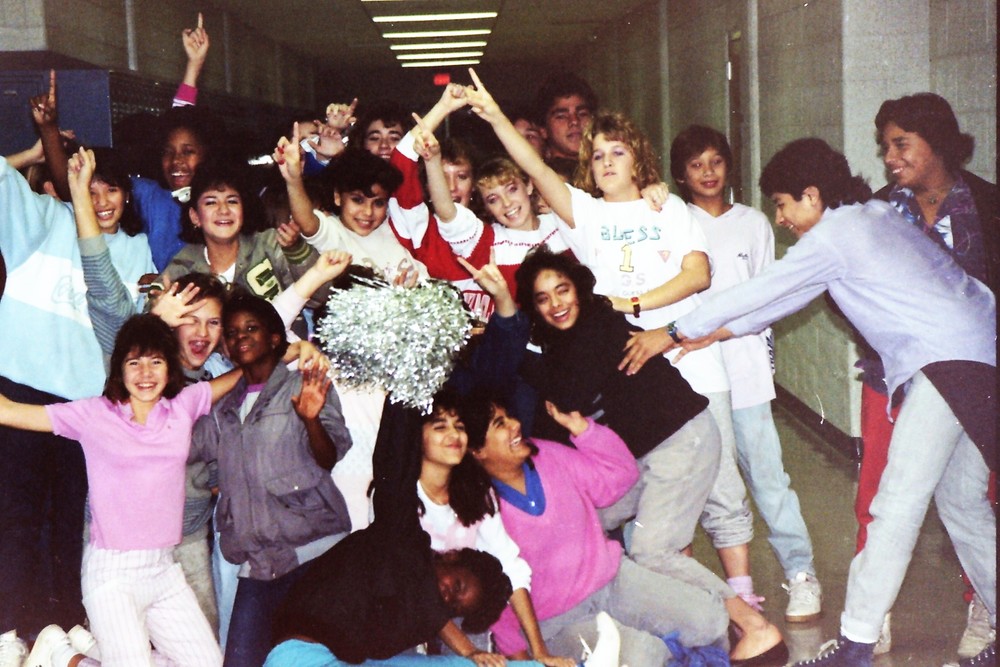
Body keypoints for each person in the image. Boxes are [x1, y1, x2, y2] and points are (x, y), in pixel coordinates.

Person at [670, 138, 995, 667]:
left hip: (948, 363)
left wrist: (676, 328)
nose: (781, 218)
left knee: (895, 505)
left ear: (812, 195)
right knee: (961, 501)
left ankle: (856, 644)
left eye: (783, 204)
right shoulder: (872, 217)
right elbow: (787, 296)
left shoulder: (835, 234)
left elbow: (765, 287)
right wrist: (718, 332)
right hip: (981, 353)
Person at [463, 70, 760, 609]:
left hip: (687, 350)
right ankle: (688, 600)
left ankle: (743, 595)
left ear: (637, 157)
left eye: (617, 152)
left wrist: (629, 305)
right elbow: (534, 167)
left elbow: (698, 274)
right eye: (597, 155)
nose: (606, 162)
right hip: (631, 368)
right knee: (658, 494)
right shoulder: (588, 214)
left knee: (721, 485)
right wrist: (496, 118)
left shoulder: (668, 206)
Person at [497, 248, 784, 665]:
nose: (556, 304)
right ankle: (616, 613)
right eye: (543, 298)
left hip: (680, 440)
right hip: (640, 458)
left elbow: (566, 393)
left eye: (563, 290)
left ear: (578, 289)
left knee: (653, 550)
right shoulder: (559, 344)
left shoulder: (600, 326)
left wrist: (503, 350)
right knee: (581, 520)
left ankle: (753, 626)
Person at [460, 392, 787, 666]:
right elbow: (493, 595)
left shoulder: (548, 455)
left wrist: (585, 432)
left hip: (612, 580)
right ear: (477, 451)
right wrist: (521, 655)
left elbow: (620, 477)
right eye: (500, 424)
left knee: (709, 621)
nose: (515, 424)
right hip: (557, 621)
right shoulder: (478, 510)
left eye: (509, 416)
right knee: (645, 655)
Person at [0, 313, 242, 667]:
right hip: (112, 576)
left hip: (164, 571)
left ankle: (64, 656)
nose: (146, 373)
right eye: (134, 362)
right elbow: (7, 411)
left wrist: (290, 351)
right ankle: (65, 654)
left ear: (169, 367)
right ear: (119, 369)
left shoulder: (183, 405)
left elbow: (246, 372)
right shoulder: (93, 415)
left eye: (155, 362)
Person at [855, 93, 998, 657]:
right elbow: (849, 288)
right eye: (885, 146)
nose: (890, 158)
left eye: (901, 144)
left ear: (937, 142)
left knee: (964, 498)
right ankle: (872, 614)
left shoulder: (987, 204)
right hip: (896, 378)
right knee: (882, 495)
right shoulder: (879, 211)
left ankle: (982, 604)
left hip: (973, 379)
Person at [667, 125, 821, 623]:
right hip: (694, 374)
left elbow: (766, 298)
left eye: (715, 161)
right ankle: (695, 586)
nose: (708, 172)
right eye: (696, 165)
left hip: (747, 370)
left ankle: (801, 573)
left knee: (768, 477)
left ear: (729, 166)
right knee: (700, 481)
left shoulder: (754, 223)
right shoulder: (672, 221)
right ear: (680, 175)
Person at [264, 400, 536, 667]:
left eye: (453, 608)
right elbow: (393, 463)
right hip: (300, 657)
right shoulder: (401, 536)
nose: (446, 599)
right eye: (456, 587)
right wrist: (407, 391)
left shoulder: (420, 616)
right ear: (450, 556)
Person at [190, 292, 354, 667]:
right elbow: (184, 445)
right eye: (232, 333)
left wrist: (311, 420)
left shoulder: (303, 385)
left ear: (275, 338)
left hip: (315, 554)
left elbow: (329, 457)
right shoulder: (222, 408)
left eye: (251, 328)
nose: (240, 338)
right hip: (259, 565)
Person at [417, 391, 574, 667]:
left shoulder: (476, 490)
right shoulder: (398, 496)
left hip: (460, 607)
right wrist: (469, 652)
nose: (454, 435)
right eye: (440, 427)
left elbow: (509, 565)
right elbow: (412, 584)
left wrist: (539, 652)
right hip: (411, 605)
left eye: (460, 427)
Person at [531, 72, 597, 164]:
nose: (574, 121)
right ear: (543, 130)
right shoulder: (538, 171)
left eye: (582, 114)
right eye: (562, 117)